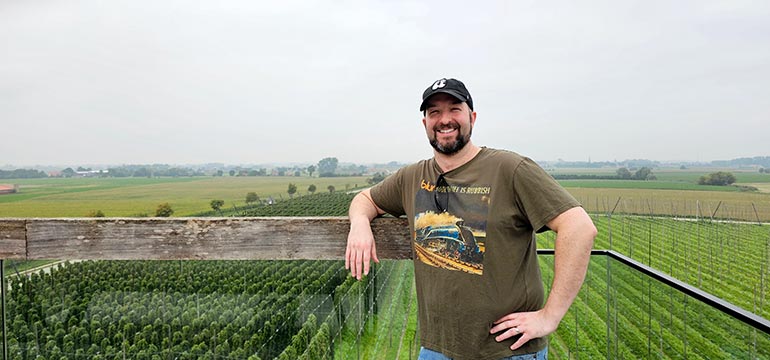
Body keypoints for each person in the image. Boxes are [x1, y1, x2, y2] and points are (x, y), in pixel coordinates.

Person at [345, 78, 597, 360]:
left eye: (455, 109)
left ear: (472, 118)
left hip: (507, 351)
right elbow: (364, 199)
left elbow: (579, 227)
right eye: (434, 112)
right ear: (425, 123)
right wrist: (359, 226)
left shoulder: (510, 168)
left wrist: (550, 316)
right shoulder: (412, 176)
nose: (444, 120)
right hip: (436, 349)